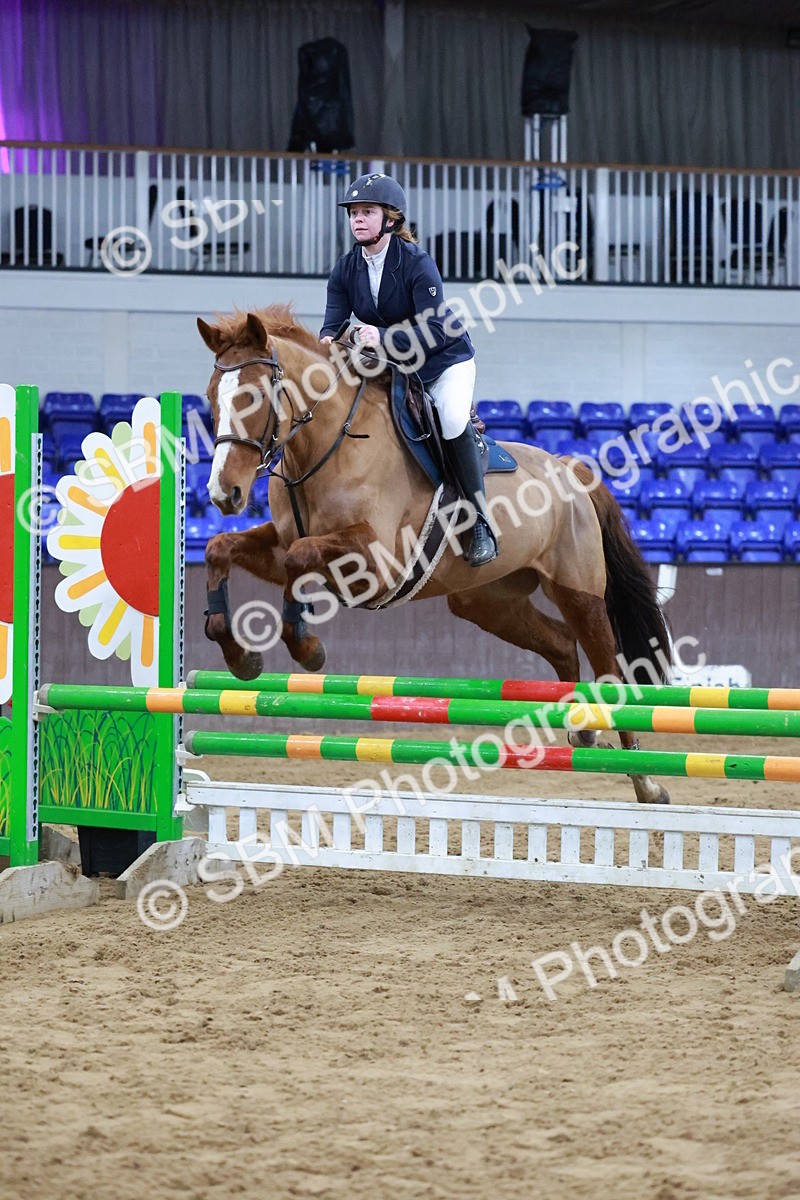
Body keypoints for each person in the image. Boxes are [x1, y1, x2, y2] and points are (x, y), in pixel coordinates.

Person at [319, 172, 497, 568]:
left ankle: (480, 523)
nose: (357, 220)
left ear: (391, 219)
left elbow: (434, 328)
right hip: (396, 367)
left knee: (450, 418)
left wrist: (381, 336)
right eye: (353, 213)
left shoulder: (417, 263)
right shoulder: (346, 269)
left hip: (442, 361)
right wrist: (326, 347)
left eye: (367, 212)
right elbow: (331, 328)